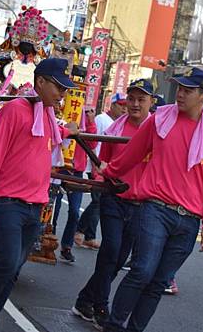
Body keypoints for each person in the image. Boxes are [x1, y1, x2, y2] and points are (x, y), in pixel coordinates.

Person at [98, 67, 203, 332]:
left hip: (189, 221)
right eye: (179, 88)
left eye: (187, 90)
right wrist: (108, 171)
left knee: (159, 282)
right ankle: (113, 326)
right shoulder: (159, 120)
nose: (179, 94)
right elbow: (132, 153)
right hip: (155, 208)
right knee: (142, 270)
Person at [0, 58, 78, 332]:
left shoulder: (47, 116)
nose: (63, 93)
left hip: (35, 205)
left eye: (65, 88)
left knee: (14, 269)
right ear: (41, 82)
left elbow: (48, 138)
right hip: (8, 202)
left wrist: (68, 132)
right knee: (6, 262)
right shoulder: (15, 110)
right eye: (58, 87)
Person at [73, 79, 154, 329]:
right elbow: (102, 163)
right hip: (114, 198)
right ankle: (100, 306)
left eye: (141, 99)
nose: (135, 104)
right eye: (131, 99)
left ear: (152, 102)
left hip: (140, 204)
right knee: (110, 251)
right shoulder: (114, 131)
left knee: (119, 260)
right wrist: (100, 175)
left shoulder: (158, 131)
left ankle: (85, 299)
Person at [75, 93, 128, 249]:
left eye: (125, 105)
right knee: (98, 201)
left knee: (98, 202)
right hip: (97, 166)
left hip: (107, 168)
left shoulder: (118, 122)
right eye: (121, 105)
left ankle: (88, 234)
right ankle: (81, 230)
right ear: (112, 105)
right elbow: (94, 144)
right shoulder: (101, 119)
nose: (124, 109)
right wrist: (95, 166)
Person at [52, 109, 97, 262]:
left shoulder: (85, 114)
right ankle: (47, 241)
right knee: (54, 208)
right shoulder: (60, 110)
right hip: (60, 167)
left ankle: (66, 246)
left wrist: (90, 123)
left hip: (77, 171)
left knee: (74, 211)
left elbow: (92, 143)